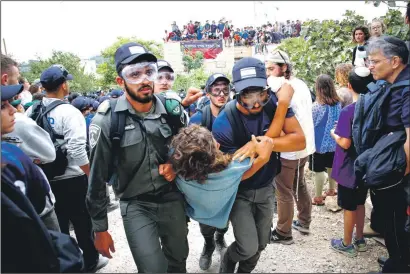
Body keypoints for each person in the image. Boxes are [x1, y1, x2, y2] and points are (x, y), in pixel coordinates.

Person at [86, 42, 189, 273]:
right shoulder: (107, 121)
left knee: (178, 261)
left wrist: (175, 164)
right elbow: (97, 178)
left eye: (149, 71)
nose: (144, 80)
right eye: (134, 74)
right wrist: (100, 228)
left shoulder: (171, 111)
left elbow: (189, 148)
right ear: (121, 81)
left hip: (173, 199)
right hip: (136, 204)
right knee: (152, 268)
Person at [212, 57, 306, 273]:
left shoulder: (272, 104)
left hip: (265, 187)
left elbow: (299, 140)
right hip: (239, 192)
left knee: (262, 244)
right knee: (247, 247)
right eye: (248, 95)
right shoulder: (225, 122)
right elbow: (230, 176)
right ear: (236, 92)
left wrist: (264, 145)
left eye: (260, 94)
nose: (256, 103)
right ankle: (228, 258)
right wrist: (263, 156)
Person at [25, 65, 108, 272]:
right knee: (82, 223)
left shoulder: (31, 110)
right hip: (72, 179)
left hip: (43, 178)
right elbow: (78, 149)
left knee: (58, 225)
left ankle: (67, 261)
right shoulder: (69, 112)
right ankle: (90, 261)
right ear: (63, 85)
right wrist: (91, 175)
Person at [365, 35, 410, 273]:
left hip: (399, 167)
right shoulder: (394, 84)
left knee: (396, 219)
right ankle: (397, 257)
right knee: (389, 218)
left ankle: (398, 265)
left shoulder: (407, 89)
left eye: (374, 61)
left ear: (394, 61)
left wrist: (401, 172)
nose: (370, 66)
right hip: (393, 160)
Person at [263, 50, 315, 244]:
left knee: (283, 190)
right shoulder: (299, 83)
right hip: (305, 146)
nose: (268, 73)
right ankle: (304, 221)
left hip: (289, 148)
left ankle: (283, 232)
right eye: (266, 69)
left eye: (271, 68)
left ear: (283, 68)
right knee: (299, 184)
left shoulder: (279, 84)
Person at [330, 67, 374, 257]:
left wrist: (334, 134)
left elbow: (345, 142)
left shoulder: (348, 111)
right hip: (367, 165)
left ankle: (346, 244)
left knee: (348, 205)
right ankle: (360, 239)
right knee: (360, 202)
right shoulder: (375, 108)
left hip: (349, 166)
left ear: (349, 86)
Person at [188, 73, 231, 270]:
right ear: (208, 93)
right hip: (205, 174)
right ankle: (208, 244)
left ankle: (220, 238)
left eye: (225, 90)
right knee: (205, 213)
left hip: (229, 174)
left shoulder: (235, 114)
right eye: (216, 90)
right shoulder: (198, 118)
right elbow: (187, 147)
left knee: (226, 211)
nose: (221, 94)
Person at [310, 74, 342, 205]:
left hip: (319, 144)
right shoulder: (338, 103)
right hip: (334, 141)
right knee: (331, 166)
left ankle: (318, 197)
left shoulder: (317, 106)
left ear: (318, 88)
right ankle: (331, 190)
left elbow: (311, 123)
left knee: (318, 170)